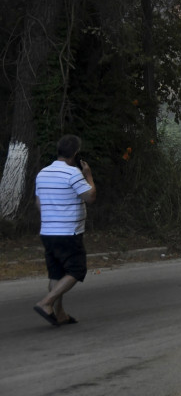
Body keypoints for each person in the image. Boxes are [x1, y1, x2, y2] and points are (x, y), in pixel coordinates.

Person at [33, 135, 96, 326]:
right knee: (77, 269)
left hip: (47, 232)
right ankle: (47, 302)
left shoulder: (42, 173)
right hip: (68, 233)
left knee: (56, 273)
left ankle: (59, 313)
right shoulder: (73, 173)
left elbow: (39, 204)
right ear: (75, 154)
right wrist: (88, 175)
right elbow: (90, 197)